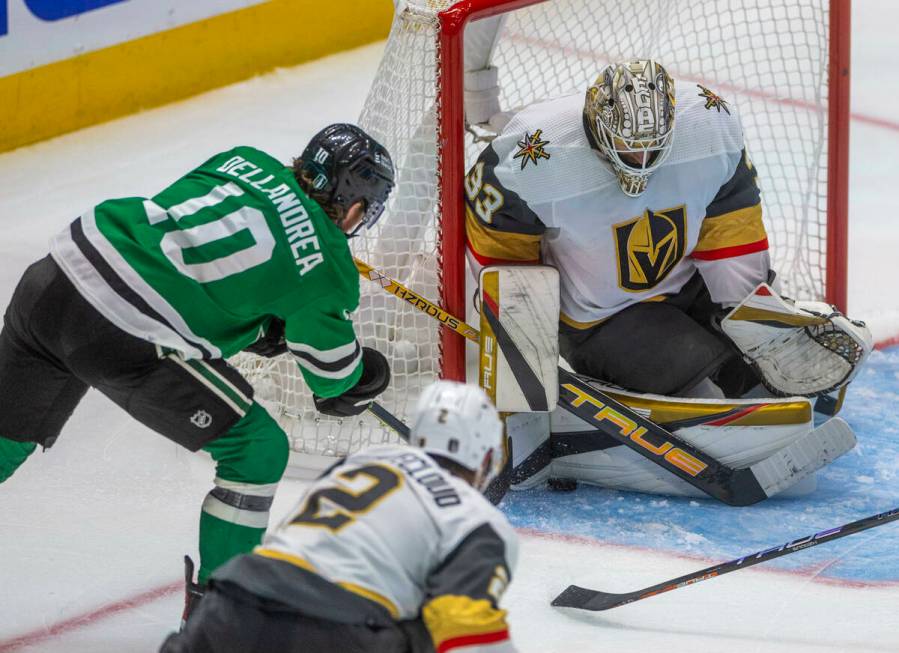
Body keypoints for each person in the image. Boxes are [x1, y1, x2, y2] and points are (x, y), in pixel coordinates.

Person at [0, 124, 395, 595]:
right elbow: (333, 380)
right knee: (256, 450)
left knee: (5, 437)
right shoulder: (329, 268)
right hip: (122, 331)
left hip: (55, 278)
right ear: (354, 206)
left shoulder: (244, 158)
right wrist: (365, 375)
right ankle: (222, 618)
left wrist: (250, 325)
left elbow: (184, 251)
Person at [464, 59, 869, 400]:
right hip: (600, 321)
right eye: (628, 146)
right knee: (704, 389)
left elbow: (730, 225)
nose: (641, 158)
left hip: (690, 290)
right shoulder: (533, 156)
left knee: (758, 380)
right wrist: (522, 352)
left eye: (653, 145)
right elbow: (498, 252)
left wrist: (750, 312)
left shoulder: (708, 127)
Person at [160, 379, 519, 653]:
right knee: (425, 624)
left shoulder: (365, 461)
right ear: (485, 459)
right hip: (338, 628)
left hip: (234, 600)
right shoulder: (478, 520)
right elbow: (466, 629)